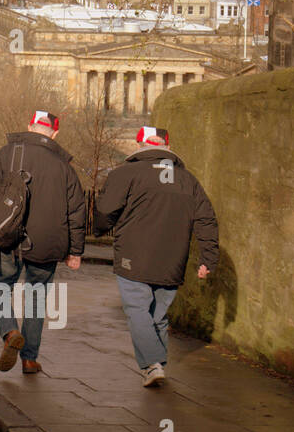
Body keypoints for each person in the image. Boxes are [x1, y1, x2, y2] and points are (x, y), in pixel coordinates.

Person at [93, 126, 219, 388]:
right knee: (158, 313)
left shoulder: (125, 173)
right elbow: (206, 219)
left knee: (137, 309)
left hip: (134, 255)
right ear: (167, 147)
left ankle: (151, 363)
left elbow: (105, 210)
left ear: (140, 146)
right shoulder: (188, 180)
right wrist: (208, 257)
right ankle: (158, 364)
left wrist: (99, 229)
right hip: (173, 259)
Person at [0, 110, 87, 375]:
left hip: (11, 238)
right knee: (36, 298)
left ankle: (9, 331)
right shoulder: (65, 167)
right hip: (48, 244)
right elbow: (77, 211)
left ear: (29, 126)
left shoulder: (9, 153)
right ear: (55, 133)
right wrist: (75, 251)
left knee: (1, 286)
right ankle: (29, 359)